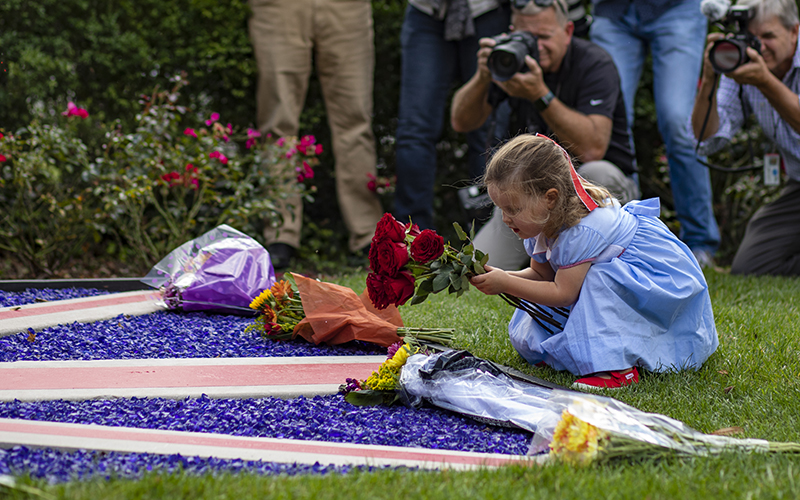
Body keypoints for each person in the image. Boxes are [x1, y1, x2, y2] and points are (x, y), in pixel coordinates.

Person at [470, 134, 719, 389]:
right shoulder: (540, 224)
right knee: (588, 281)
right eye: (501, 209)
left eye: (513, 209)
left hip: (652, 279)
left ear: (550, 198)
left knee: (598, 279)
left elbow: (563, 293)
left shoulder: (581, 231)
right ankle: (567, 351)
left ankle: (617, 369)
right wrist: (501, 275)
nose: (505, 218)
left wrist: (505, 284)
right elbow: (542, 276)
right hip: (611, 278)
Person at [450, 0, 639, 270]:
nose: (536, 47)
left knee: (598, 171)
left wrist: (540, 96)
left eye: (544, 37)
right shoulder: (513, 63)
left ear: (568, 31)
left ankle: (576, 265)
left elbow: (593, 148)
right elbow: (461, 121)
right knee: (476, 269)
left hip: (597, 188)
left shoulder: (594, 63)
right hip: (533, 195)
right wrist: (483, 76)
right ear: (512, 31)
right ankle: (549, 263)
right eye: (527, 37)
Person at [248, 0, 383, 268]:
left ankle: (368, 232)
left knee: (355, 120)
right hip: (278, 7)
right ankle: (280, 232)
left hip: (346, 8)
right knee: (277, 124)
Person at [589, 0, 720, 268]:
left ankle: (700, 244)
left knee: (678, 122)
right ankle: (621, 236)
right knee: (609, 120)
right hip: (614, 11)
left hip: (677, 7)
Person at [691, 0, 800, 276]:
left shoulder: (759, 73)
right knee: (751, 266)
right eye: (754, 38)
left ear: (794, 32)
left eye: (769, 36)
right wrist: (709, 81)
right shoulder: (748, 63)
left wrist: (765, 82)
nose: (760, 46)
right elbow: (707, 138)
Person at [393, 0, 511, 231]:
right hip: (426, 9)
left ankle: (488, 238)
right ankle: (410, 242)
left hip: (489, 10)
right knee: (414, 130)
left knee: (489, 132)